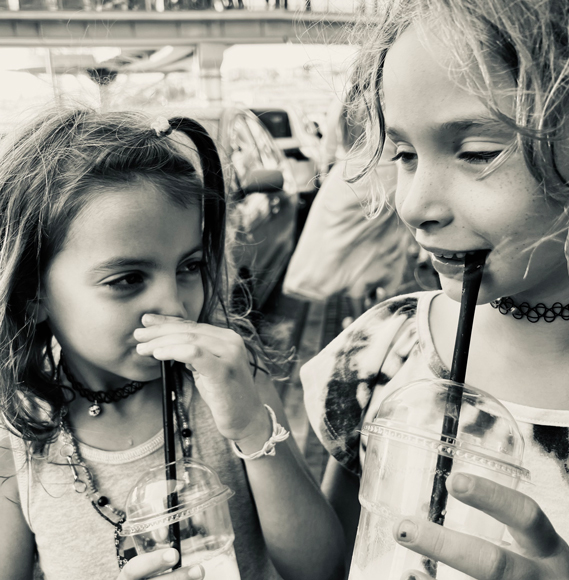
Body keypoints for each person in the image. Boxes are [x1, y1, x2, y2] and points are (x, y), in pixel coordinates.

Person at [0, 108, 345, 580]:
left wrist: (250, 428)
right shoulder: (16, 433)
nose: (175, 305)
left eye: (188, 267)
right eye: (127, 279)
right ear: (32, 294)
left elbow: (321, 569)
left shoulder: (230, 383)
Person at [301, 0, 569, 578]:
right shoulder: (382, 353)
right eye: (403, 154)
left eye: (477, 153)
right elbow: (329, 562)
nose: (412, 206)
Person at [282, 89, 414, 323]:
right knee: (381, 248)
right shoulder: (393, 98)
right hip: (388, 179)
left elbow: (330, 148)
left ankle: (358, 317)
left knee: (354, 251)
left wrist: (324, 176)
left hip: (352, 177)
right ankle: (381, 304)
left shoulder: (344, 103)